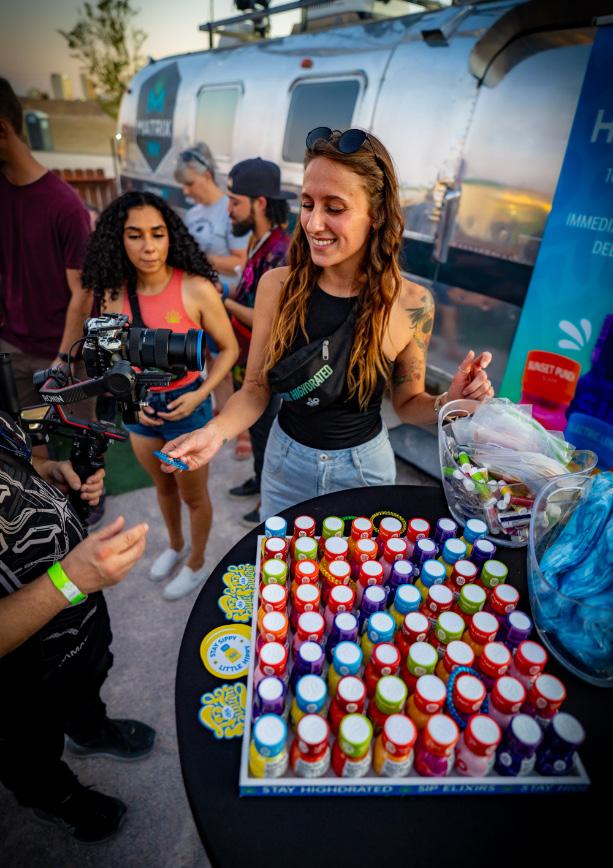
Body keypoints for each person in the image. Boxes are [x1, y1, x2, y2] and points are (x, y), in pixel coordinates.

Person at [160, 128, 494, 516]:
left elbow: (406, 405)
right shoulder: (277, 287)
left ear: (377, 214)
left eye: (334, 208)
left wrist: (449, 402)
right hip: (285, 465)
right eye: (307, 204)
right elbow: (254, 391)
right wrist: (213, 433)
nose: (314, 223)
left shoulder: (411, 304)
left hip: (364, 472)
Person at [0, 410, 152, 844]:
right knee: (27, 743)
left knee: (90, 670)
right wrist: (69, 581)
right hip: (15, 670)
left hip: (76, 615)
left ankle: (89, 730)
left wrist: (45, 471)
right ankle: (58, 798)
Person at [82, 191, 238, 600]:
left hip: (188, 407)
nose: (148, 247)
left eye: (157, 233)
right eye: (135, 235)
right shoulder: (112, 293)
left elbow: (229, 349)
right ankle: (175, 546)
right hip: (140, 411)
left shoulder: (196, 288)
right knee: (163, 488)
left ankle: (197, 562)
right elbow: (111, 357)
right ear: (119, 239)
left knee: (193, 495)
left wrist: (201, 395)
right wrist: (130, 399)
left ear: (171, 236)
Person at [0, 78, 93, 419]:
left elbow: (83, 291)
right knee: (24, 445)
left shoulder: (65, 205)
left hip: (62, 353)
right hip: (11, 348)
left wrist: (64, 360)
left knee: (80, 446)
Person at [222, 157, 296, 527]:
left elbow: (271, 321)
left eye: (235, 201)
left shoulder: (283, 251)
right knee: (254, 429)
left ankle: (269, 502)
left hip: (266, 359)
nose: (229, 209)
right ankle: (258, 480)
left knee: (265, 430)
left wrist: (223, 301)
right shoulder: (258, 240)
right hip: (245, 353)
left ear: (260, 203)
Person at [175, 143, 249, 422]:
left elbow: (240, 261)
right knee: (202, 356)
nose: (185, 191)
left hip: (224, 298)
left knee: (225, 362)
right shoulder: (192, 214)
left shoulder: (227, 210)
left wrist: (198, 258)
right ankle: (219, 411)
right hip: (196, 299)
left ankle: (233, 421)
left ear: (206, 176)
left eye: (189, 183)